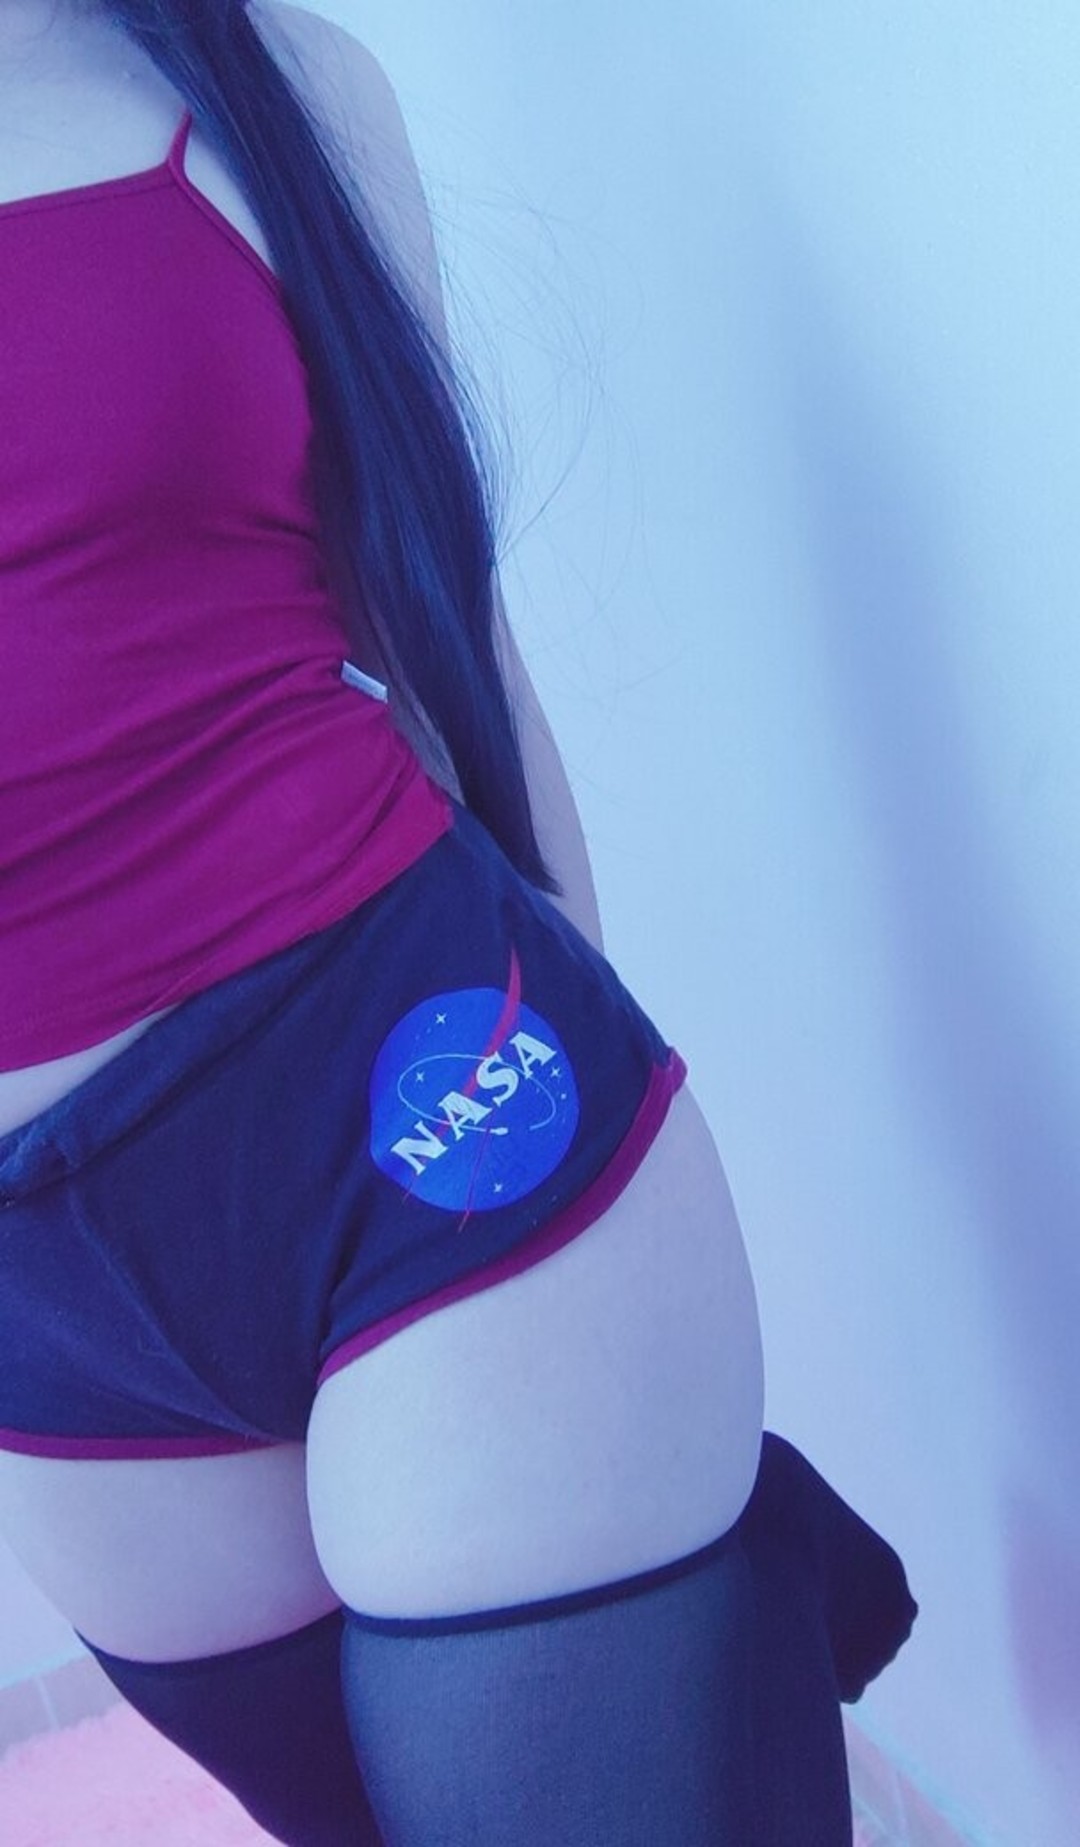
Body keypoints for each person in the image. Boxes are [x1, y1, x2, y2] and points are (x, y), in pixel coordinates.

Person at [0, 2, 918, 1841]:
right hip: (55, 1299)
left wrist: (601, 1143)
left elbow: (446, 633)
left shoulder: (255, 85)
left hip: (419, 1106)